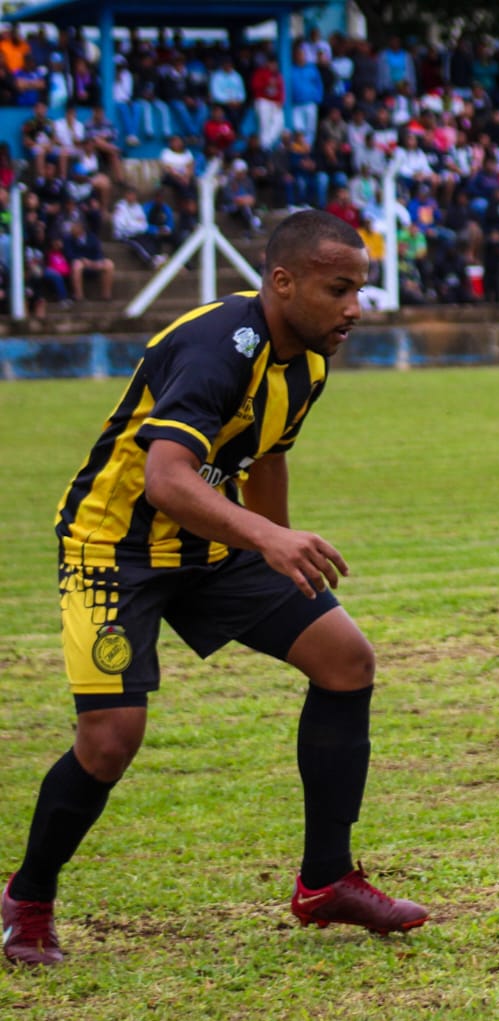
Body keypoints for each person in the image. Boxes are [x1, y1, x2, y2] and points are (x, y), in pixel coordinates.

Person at [2, 211, 428, 967]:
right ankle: (26, 900)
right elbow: (165, 480)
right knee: (110, 739)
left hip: (210, 539)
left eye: (360, 289)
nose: (355, 308)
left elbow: (267, 456)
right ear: (283, 281)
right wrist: (269, 537)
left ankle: (326, 881)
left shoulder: (312, 359)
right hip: (116, 545)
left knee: (345, 660)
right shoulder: (215, 346)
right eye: (339, 289)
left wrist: (282, 547)